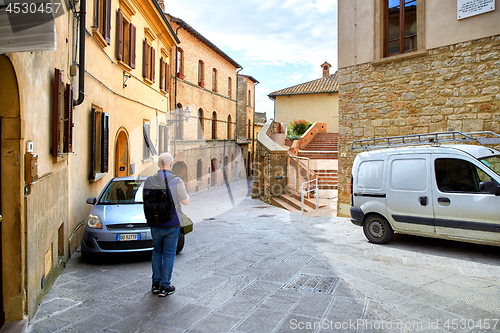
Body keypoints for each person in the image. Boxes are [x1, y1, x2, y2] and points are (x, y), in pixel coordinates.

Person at [143, 152, 189, 297]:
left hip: (155, 223)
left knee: (157, 251)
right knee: (169, 254)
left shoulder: (149, 180)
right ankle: (164, 286)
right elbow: (185, 201)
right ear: (171, 165)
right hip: (172, 223)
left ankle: (155, 284)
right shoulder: (177, 180)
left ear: (158, 164)